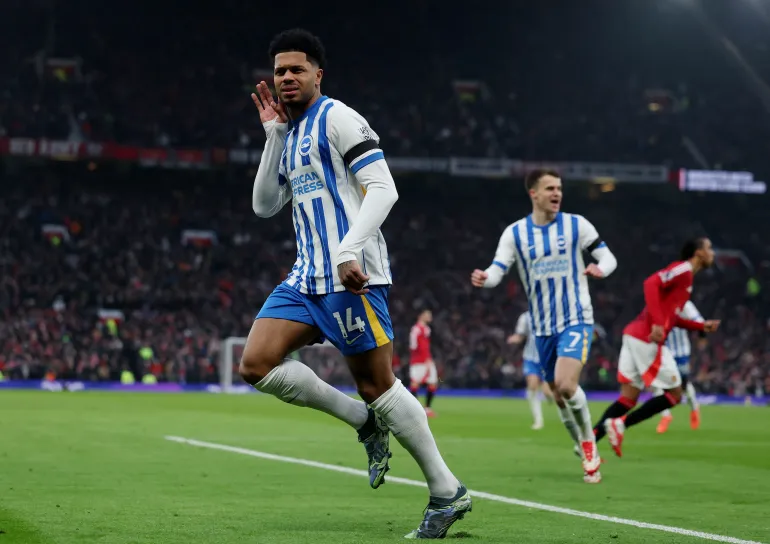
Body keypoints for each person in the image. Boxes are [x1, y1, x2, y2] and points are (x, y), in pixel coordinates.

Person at [239, 29, 470, 539]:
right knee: (255, 364)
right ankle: (364, 424)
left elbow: (383, 188)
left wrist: (348, 250)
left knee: (376, 384)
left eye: (297, 69)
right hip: (305, 278)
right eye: (280, 71)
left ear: (318, 74)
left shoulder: (337, 117)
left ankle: (446, 491)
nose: (287, 78)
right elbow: (262, 206)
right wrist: (273, 136)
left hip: (352, 276)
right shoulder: (292, 132)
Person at [471, 169, 618, 484]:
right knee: (559, 396)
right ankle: (580, 443)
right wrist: (485, 278)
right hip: (542, 327)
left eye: (560, 188)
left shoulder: (577, 225)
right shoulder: (515, 234)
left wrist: (600, 269)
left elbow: (608, 257)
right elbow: (498, 268)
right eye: (550, 188)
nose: (557, 193)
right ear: (533, 193)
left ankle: (589, 442)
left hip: (577, 317)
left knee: (565, 385)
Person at [593, 238, 720, 457]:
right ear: (698, 253)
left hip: (633, 335)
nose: (713, 253)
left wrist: (700, 325)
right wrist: (658, 324)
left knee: (628, 398)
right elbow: (650, 283)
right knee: (674, 394)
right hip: (646, 338)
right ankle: (621, 424)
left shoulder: (685, 281)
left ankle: (588, 442)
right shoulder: (684, 270)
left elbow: (675, 317)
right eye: (709, 248)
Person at [656, 300, 704, 433]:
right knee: (655, 382)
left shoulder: (684, 304)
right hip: (663, 351)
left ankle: (694, 408)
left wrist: (701, 335)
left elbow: (699, 321)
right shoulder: (656, 302)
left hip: (681, 351)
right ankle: (666, 416)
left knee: (683, 385)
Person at [507, 311, 553, 430]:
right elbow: (520, 335)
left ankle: (556, 401)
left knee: (548, 392)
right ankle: (538, 420)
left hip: (546, 360)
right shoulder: (526, 317)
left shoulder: (552, 316)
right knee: (532, 386)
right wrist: (514, 339)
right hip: (530, 358)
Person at [409, 309, 439, 417]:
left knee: (432, 382)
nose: (429, 316)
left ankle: (427, 408)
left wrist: (428, 358)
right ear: (420, 316)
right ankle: (416, 409)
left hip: (427, 359)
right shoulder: (416, 329)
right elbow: (413, 346)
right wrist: (423, 357)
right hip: (419, 361)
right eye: (427, 314)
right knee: (415, 383)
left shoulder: (426, 329)